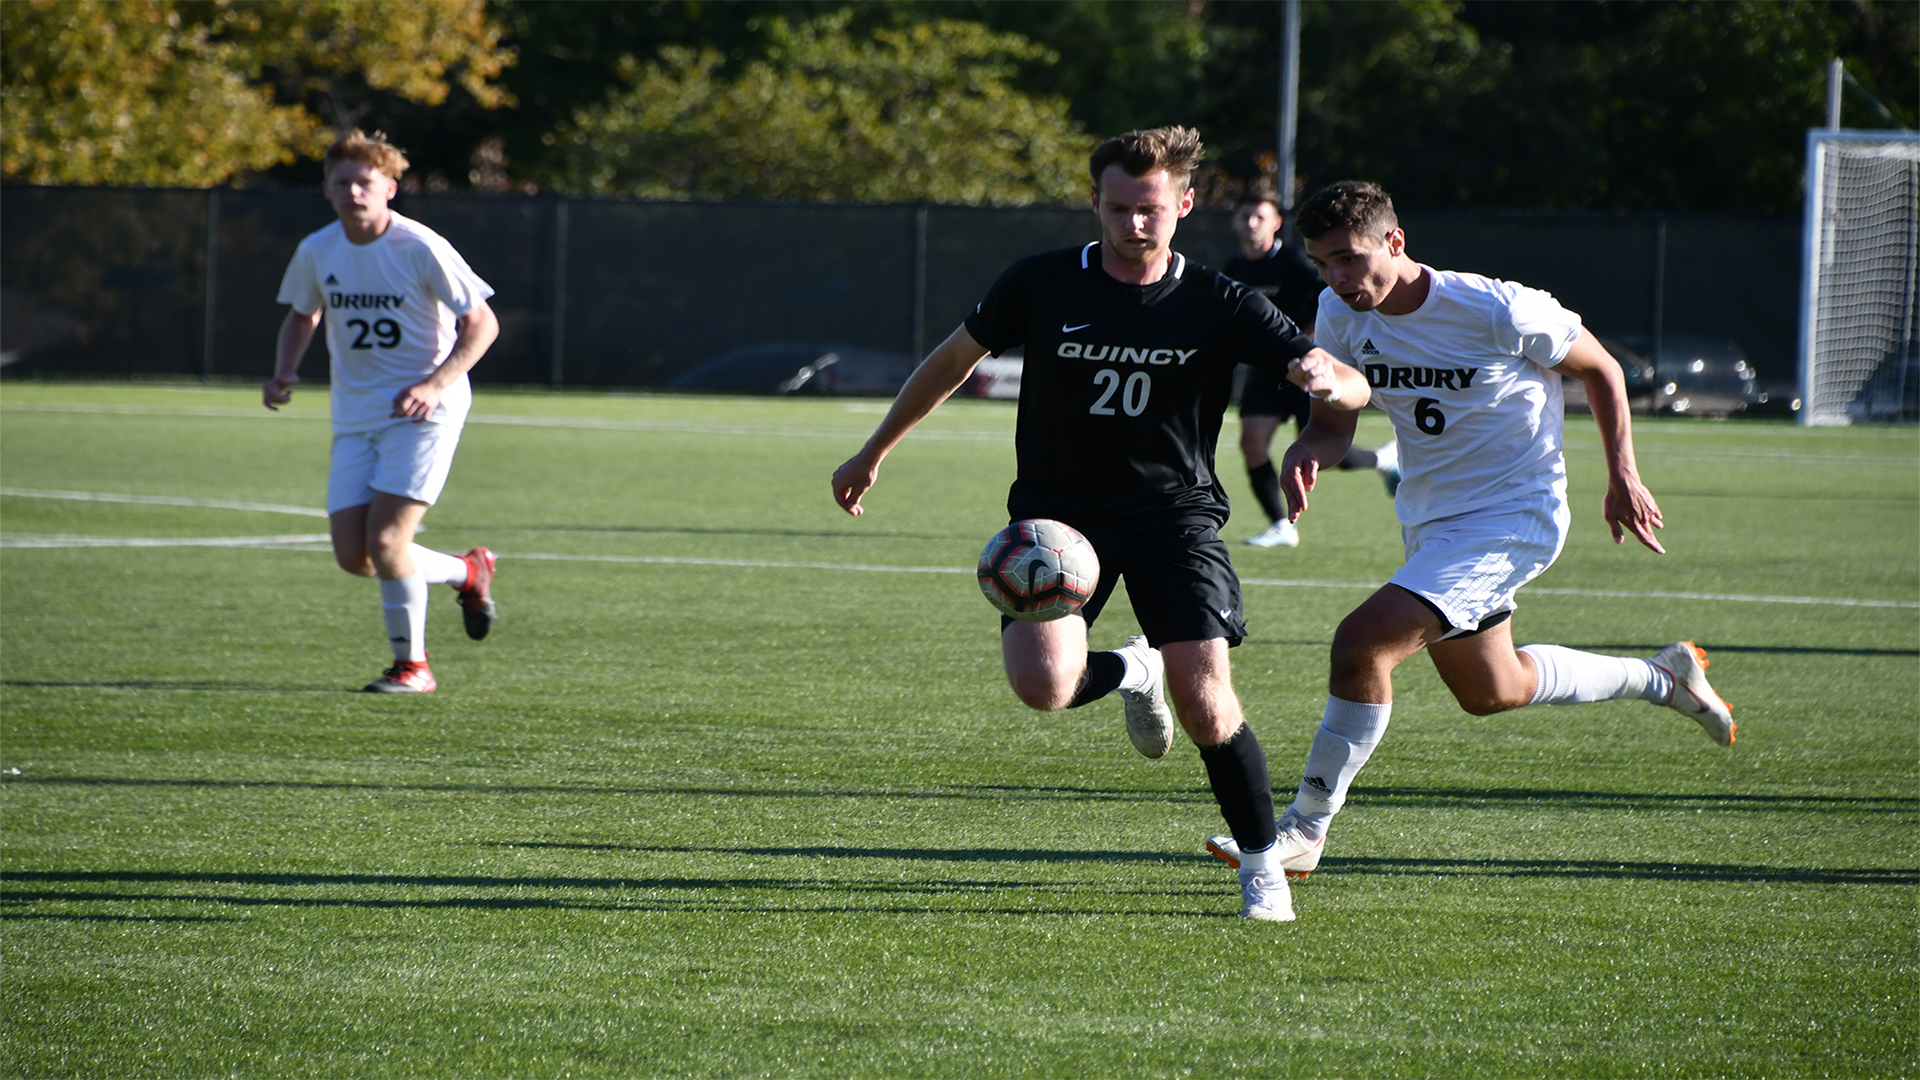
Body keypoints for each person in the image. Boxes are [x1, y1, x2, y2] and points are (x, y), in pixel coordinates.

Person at [831, 127, 1356, 922]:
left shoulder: (1220, 301)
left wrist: (1326, 378)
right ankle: (1134, 671)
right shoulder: (1042, 283)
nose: (1134, 224)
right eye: (1118, 208)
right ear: (1094, 202)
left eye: (1151, 209)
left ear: (1184, 205)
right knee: (1044, 689)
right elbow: (953, 360)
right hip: (1057, 524)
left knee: (1206, 702)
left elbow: (1343, 382)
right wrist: (875, 449)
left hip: (1174, 519)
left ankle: (1262, 867)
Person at [1203, 181, 1735, 885]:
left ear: (1394, 242)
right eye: (1323, 262)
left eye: (1349, 258)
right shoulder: (1337, 312)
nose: (1336, 277)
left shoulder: (1495, 306)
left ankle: (1305, 829)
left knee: (1362, 644)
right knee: (1493, 688)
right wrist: (1308, 450)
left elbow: (1602, 369)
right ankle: (1663, 677)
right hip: (1432, 521)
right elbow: (1333, 425)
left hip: (1514, 515)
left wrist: (1623, 477)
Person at [264, 129, 501, 694]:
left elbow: (483, 324)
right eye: (341, 182)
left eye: (364, 182)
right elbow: (303, 314)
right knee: (356, 556)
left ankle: (412, 667)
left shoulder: (420, 246)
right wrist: (284, 370)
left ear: (390, 188)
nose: (353, 192)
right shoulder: (318, 249)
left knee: (389, 542)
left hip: (425, 410)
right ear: (326, 189)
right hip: (355, 413)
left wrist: (435, 385)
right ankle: (468, 571)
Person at [1222, 182, 1399, 550]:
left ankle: (1382, 459)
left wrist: (1302, 347)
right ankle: (1281, 525)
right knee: (1252, 443)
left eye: (1260, 217)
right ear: (1234, 222)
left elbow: (1326, 307)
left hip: (1309, 368)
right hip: (1267, 371)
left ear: (1275, 223)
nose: (1251, 223)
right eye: (1245, 216)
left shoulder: (1298, 264)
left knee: (1325, 453)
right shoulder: (1233, 268)